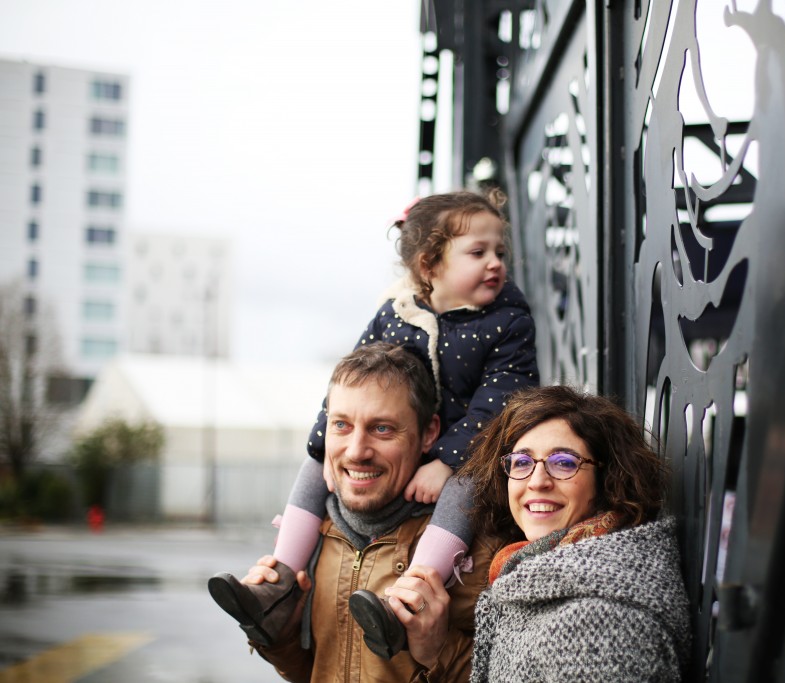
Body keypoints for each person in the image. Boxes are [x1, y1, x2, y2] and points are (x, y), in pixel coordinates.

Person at [209, 189, 539, 659]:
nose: (495, 264)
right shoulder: (396, 311)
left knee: (466, 487)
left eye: (499, 253)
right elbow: (349, 381)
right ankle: (279, 579)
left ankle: (410, 594)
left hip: (467, 450)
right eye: (478, 252)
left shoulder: (507, 324)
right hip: (406, 439)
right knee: (312, 463)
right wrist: (327, 443)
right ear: (430, 265)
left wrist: (445, 460)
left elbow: (502, 403)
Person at [226, 343, 501, 681]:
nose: (357, 451)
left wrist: (438, 647)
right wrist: (282, 634)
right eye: (341, 425)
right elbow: (311, 672)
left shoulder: (479, 555)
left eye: (382, 428)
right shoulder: (314, 539)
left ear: (429, 433)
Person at [456, 384, 692, 682]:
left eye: (564, 463)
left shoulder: (598, 625)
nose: (537, 481)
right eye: (522, 462)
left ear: (606, 478)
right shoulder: (536, 573)